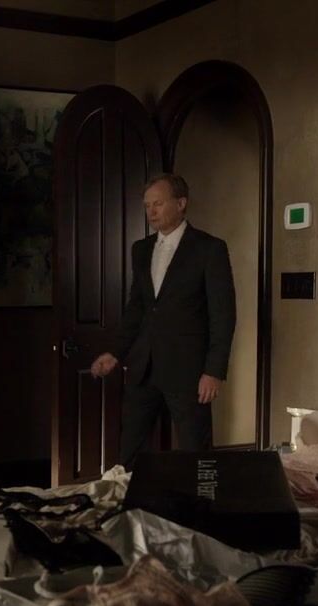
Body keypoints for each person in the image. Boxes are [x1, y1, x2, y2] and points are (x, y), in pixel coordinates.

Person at [90, 174, 236, 466]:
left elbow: (224, 314)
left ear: (181, 203)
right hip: (144, 367)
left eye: (158, 203)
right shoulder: (141, 249)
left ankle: (200, 497)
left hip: (189, 371)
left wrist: (214, 371)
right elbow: (137, 308)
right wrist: (115, 352)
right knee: (129, 450)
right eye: (147, 206)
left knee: (196, 452)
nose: (151, 212)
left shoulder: (209, 248)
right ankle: (129, 494)